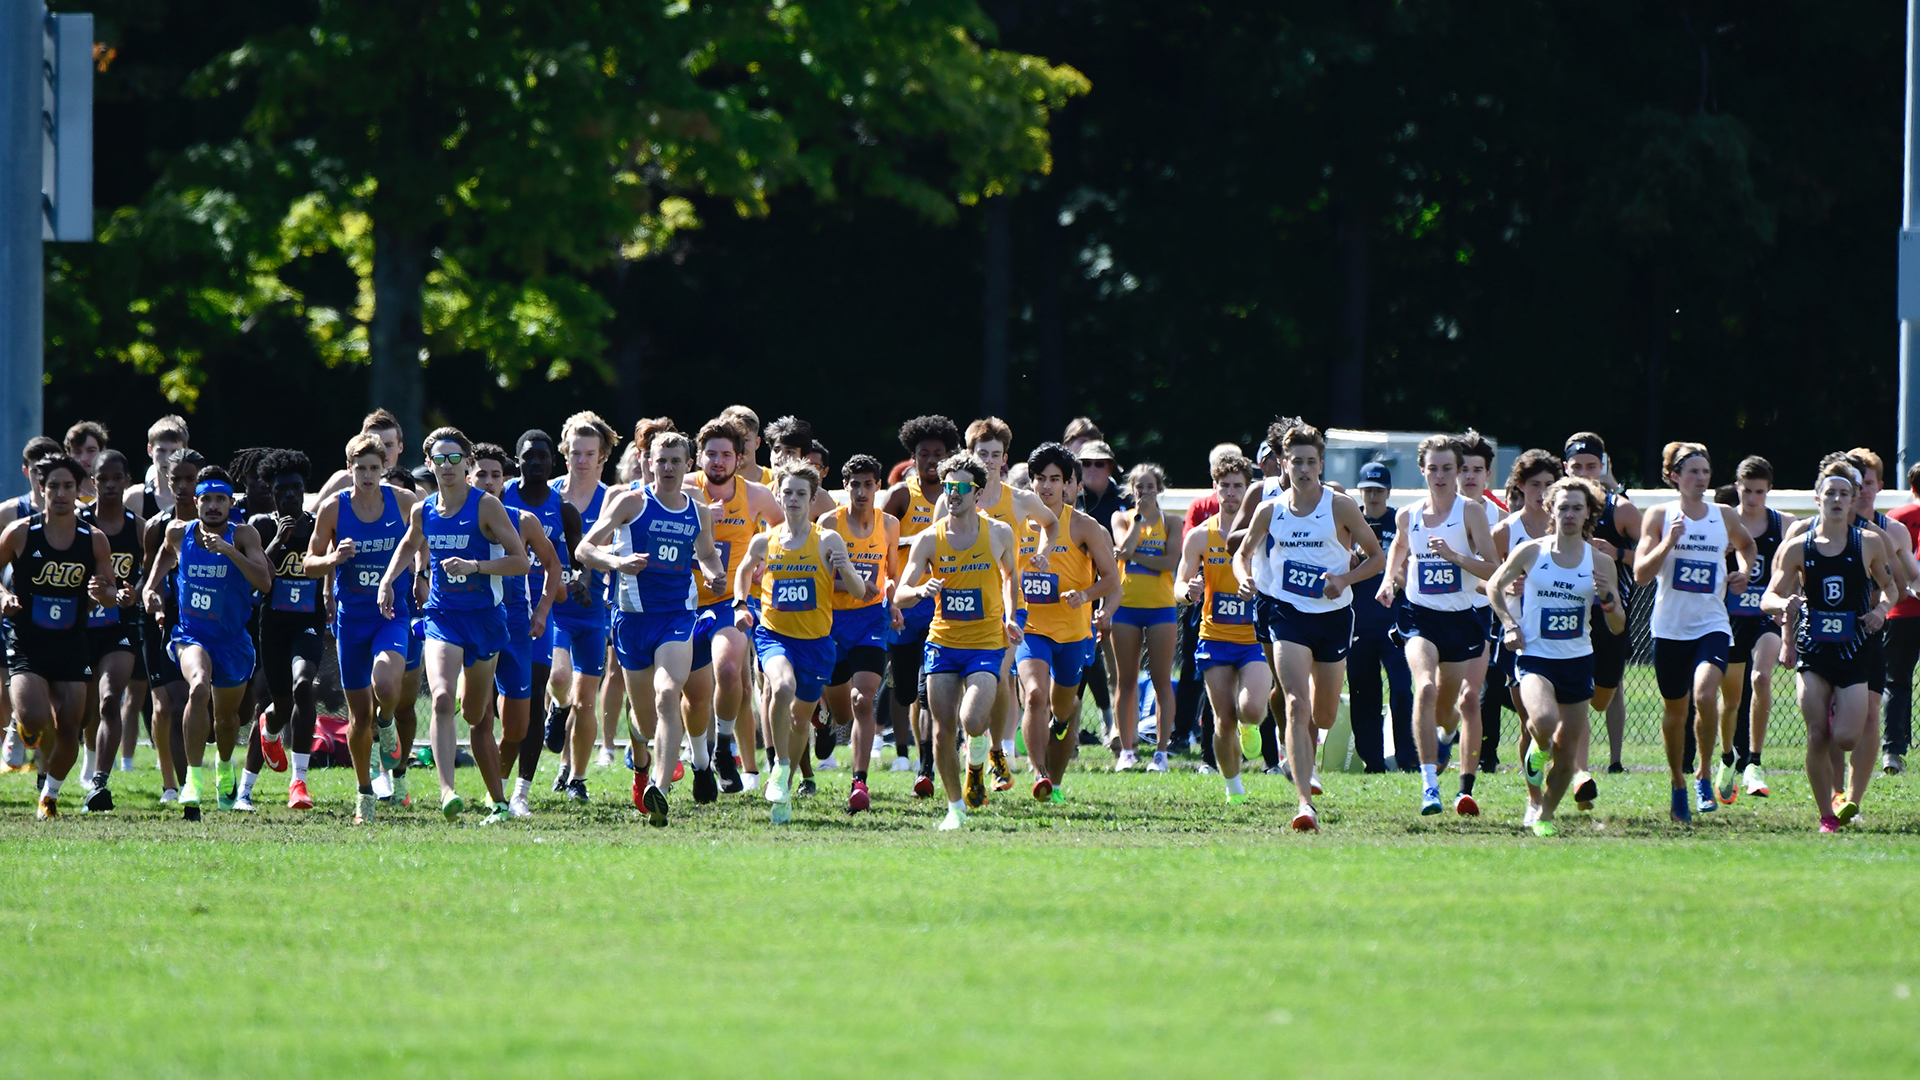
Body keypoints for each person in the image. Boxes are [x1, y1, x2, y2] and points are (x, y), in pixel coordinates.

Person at [1236, 421, 1384, 831]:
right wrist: (1243, 577)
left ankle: (1304, 751)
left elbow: (1377, 558)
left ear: (1321, 464)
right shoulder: (1270, 510)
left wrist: (1344, 580)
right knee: (1296, 703)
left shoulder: (1340, 506)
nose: (1303, 469)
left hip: (1334, 616)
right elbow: (1242, 553)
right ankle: (1304, 803)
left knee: (1325, 713)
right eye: (1296, 461)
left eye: (1310, 462)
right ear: (1284, 464)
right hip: (1288, 613)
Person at [380, 427, 531, 824]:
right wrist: (388, 580)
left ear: (467, 463)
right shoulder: (424, 510)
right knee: (443, 698)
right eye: (439, 459)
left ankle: (498, 802)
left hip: (485, 620)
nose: (446, 466)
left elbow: (521, 561)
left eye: (454, 459)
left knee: (476, 715)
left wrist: (475, 566)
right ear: (429, 464)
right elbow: (409, 543)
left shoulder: (486, 507)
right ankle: (448, 791)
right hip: (442, 616)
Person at [577, 430, 727, 826]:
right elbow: (584, 548)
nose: (668, 468)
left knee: (668, 693)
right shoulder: (632, 503)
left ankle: (659, 788)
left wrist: (715, 574)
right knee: (645, 722)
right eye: (661, 460)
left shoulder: (698, 511)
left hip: (676, 617)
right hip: (631, 621)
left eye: (676, 461)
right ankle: (642, 759)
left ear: (688, 465)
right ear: (649, 463)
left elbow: (707, 553)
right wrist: (617, 563)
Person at [1486, 477, 1625, 836]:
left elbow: (1618, 624)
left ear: (1589, 513)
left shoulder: (1600, 562)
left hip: (1578, 661)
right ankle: (1538, 747)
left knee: (1566, 755)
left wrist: (1608, 599)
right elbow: (1494, 586)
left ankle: (1544, 816)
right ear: (1551, 510)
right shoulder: (1532, 552)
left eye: (1578, 508)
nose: (1570, 514)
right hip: (1536, 656)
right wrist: (1509, 625)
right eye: (1563, 507)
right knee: (1544, 721)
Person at [1762, 461, 1895, 831]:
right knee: (1817, 735)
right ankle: (1826, 815)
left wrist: (1881, 610)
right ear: (1817, 499)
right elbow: (1768, 598)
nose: (1837, 499)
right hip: (1814, 652)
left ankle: (1840, 714)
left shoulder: (1868, 543)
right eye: (1830, 493)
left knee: (1847, 738)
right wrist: (1784, 604)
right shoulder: (1797, 548)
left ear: (1853, 500)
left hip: (1854, 651)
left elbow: (1891, 588)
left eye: (1844, 494)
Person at [1375, 435, 1501, 817]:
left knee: (1447, 710)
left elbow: (1492, 569)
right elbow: (1399, 546)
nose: (1440, 476)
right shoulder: (1408, 514)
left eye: (1448, 468)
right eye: (1433, 468)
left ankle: (1445, 736)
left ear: (1458, 471)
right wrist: (1388, 580)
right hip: (1419, 616)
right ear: (1422, 470)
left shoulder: (1471, 513)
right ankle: (1429, 785)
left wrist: (1455, 557)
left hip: (1460, 619)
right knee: (1425, 687)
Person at [931, 418, 1059, 793]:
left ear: (1005, 459)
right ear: (969, 454)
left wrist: (1043, 552)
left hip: (1006, 605)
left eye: (995, 455)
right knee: (963, 689)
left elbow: (1052, 523)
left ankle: (997, 750)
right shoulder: (949, 498)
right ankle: (977, 748)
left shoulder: (1019, 499)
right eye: (982, 453)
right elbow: (933, 543)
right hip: (955, 609)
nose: (988, 461)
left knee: (1000, 674)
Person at [736, 461, 868, 824]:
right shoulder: (764, 541)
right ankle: (779, 766)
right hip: (774, 635)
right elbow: (743, 570)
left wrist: (846, 567)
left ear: (811, 500)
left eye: (801, 494)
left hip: (816, 644)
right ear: (778, 496)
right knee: (781, 687)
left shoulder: (827, 540)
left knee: (800, 720)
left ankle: (786, 782)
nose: (793, 499)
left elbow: (858, 592)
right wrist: (739, 604)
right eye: (787, 493)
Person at [895, 452, 1021, 830]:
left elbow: (1010, 577)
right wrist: (920, 590)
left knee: (973, 719)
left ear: (978, 493)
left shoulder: (999, 533)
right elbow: (900, 594)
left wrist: (1011, 615)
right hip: (943, 643)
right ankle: (955, 808)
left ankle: (978, 757)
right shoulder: (928, 539)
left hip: (986, 642)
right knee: (942, 728)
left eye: (962, 487)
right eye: (949, 486)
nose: (953, 493)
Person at [1634, 442, 1757, 823]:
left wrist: (1743, 571)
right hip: (1670, 629)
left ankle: (1704, 774)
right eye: (1693, 472)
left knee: (1705, 695)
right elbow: (1640, 574)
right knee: (1676, 711)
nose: (1701, 478)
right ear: (1675, 477)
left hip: (1712, 624)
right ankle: (1677, 782)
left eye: (1706, 472)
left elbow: (1747, 545)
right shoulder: (1660, 515)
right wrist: (1668, 542)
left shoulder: (1723, 515)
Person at [146, 465, 274, 820]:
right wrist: (150, 588)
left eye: (221, 499)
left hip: (232, 641)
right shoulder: (178, 532)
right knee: (199, 687)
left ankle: (225, 766)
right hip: (191, 636)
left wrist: (230, 552)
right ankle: (192, 781)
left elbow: (264, 582)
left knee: (227, 719)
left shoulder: (243, 535)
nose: (213, 506)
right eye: (207, 499)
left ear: (231, 503)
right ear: (196, 502)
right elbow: (165, 556)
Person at [308, 434, 419, 824]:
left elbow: (420, 539)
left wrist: (420, 574)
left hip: (390, 614)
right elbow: (309, 563)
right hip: (351, 622)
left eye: (374, 467)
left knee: (386, 686)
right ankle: (364, 794)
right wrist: (333, 559)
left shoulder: (403, 501)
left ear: (385, 467)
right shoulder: (333, 508)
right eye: (361, 468)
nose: (368, 475)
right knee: (358, 717)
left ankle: (387, 723)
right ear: (349, 468)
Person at [0, 456, 120, 817]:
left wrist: (105, 593)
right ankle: (22, 725)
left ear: (79, 490)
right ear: (41, 488)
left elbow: (110, 592)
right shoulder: (21, 532)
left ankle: (49, 795)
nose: (61, 493)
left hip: (71, 642)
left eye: (68, 486)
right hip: (28, 640)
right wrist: (4, 596)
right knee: (35, 718)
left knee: (72, 726)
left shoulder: (93, 539)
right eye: (53, 486)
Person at [1017, 443, 1120, 796]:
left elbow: (1112, 580)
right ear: (1031, 481)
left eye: (1054, 479)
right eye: (1040, 478)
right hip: (1031, 629)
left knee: (1065, 711)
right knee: (1034, 695)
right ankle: (1039, 773)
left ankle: (1056, 780)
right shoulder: (1015, 523)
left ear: (1067, 484)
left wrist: (1086, 597)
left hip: (1074, 634)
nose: (1046, 486)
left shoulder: (1084, 526)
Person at [687, 418, 783, 794]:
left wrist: (764, 562)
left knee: (729, 671)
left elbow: (783, 529)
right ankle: (700, 761)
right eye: (711, 454)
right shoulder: (683, 490)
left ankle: (724, 747)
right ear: (699, 457)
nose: (718, 461)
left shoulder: (756, 495)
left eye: (726, 454)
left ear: (739, 459)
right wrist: (696, 517)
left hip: (731, 599)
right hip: (682, 603)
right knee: (692, 694)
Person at [471, 443, 566, 818]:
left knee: (517, 726)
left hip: (517, 626)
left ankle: (512, 790)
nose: (489, 481)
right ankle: (494, 795)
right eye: (481, 474)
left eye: (496, 475)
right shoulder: (451, 518)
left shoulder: (523, 520)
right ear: (468, 477)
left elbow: (553, 566)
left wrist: (542, 610)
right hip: (471, 624)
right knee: (477, 713)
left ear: (505, 480)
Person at [1177, 454, 1274, 812]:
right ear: (1215, 488)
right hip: (1214, 637)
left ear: (1248, 489)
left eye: (1238, 486)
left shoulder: (1263, 532)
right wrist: (1189, 592)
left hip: (1254, 638)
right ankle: (1234, 788)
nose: (1231, 493)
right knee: (1223, 719)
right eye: (1225, 486)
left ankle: (1252, 726)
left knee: (1250, 710)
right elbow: (1179, 585)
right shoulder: (1200, 536)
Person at [499, 429, 581, 813]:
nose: (535, 462)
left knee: (531, 703)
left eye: (542, 456)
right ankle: (495, 783)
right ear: (517, 461)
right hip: (493, 610)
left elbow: (573, 566)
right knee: (490, 706)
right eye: (528, 456)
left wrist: (574, 585)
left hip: (536, 617)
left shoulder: (563, 510)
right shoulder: (499, 499)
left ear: (553, 462)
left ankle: (519, 793)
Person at [881, 415, 961, 793]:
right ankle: (904, 749)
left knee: (932, 688)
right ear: (912, 458)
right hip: (905, 604)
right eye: (924, 454)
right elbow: (877, 544)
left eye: (938, 454)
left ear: (949, 458)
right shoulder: (901, 496)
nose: (931, 460)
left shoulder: (959, 496)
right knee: (905, 691)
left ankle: (927, 762)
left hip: (941, 605)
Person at [242, 450, 324, 812]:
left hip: (308, 621)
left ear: (304, 489)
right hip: (273, 625)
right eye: (281, 490)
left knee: (304, 685)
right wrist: (277, 540)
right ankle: (245, 789)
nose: (289, 495)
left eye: (296, 488)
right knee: (276, 705)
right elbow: (257, 577)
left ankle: (299, 783)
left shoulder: (318, 524)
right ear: (270, 492)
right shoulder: (260, 525)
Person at [820, 454, 902, 813]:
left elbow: (892, 574)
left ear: (878, 487)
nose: (862, 491)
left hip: (871, 620)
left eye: (869, 484)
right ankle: (824, 722)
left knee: (862, 699)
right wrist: (852, 584)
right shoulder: (829, 523)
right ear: (845, 486)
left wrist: (894, 602)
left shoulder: (889, 524)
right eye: (855, 484)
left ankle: (860, 783)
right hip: (833, 621)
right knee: (842, 713)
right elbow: (819, 577)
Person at [548, 412, 618, 800]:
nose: (582, 460)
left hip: (593, 609)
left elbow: (616, 550)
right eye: (575, 452)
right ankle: (556, 710)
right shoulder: (548, 494)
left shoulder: (611, 499)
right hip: (553, 605)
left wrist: (598, 562)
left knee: (586, 698)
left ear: (602, 456)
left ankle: (574, 776)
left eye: (590, 453)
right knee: (560, 679)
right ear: (564, 452)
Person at [1488, 450, 1565, 806]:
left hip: (1563, 637)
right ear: (1520, 486)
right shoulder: (1506, 531)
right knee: (1530, 722)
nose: (1542, 492)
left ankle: (1560, 785)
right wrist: (1507, 587)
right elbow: (1483, 582)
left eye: (1550, 484)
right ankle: (1535, 801)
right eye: (1535, 484)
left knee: (1560, 723)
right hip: (1520, 638)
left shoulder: (1568, 528)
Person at [1563, 432, 1640, 773]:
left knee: (1611, 687)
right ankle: (1573, 761)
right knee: (1568, 680)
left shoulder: (1619, 508)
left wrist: (1618, 553)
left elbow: (1653, 558)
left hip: (1608, 610)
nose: (1584, 473)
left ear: (1603, 466)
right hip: (1566, 608)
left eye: (1591, 466)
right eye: (1577, 466)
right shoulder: (1558, 507)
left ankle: (1615, 760)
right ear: (1565, 467)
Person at [77, 450, 146, 813]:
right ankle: (78, 765)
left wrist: (137, 591)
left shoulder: (138, 527)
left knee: (109, 700)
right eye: (102, 479)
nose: (110, 485)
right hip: (79, 626)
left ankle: (100, 782)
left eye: (117, 478)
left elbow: (153, 570)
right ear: (93, 482)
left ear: (126, 481)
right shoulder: (80, 523)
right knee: (80, 711)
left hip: (119, 626)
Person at [1719, 456, 1790, 801]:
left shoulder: (1785, 524)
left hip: (1766, 617)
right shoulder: (1723, 523)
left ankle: (1755, 762)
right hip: (1729, 618)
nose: (1752, 498)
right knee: (1730, 698)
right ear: (1737, 487)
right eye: (1746, 491)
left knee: (1761, 677)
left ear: (1769, 490)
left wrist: (1786, 606)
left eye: (1759, 492)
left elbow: (1798, 567)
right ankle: (1727, 757)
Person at [138, 450, 204, 803]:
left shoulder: (223, 524)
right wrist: (153, 598)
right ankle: (175, 784)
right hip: (166, 623)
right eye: (175, 478)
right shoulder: (157, 527)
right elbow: (150, 579)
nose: (182, 486)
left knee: (211, 705)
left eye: (189, 479)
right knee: (168, 705)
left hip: (211, 623)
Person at [1110, 462, 1182, 771]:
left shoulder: (1173, 522)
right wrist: (1138, 521)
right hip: (1126, 607)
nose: (1144, 492)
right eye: (1139, 487)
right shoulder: (1122, 518)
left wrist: (1135, 555)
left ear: (1159, 488)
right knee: (1125, 681)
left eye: (1150, 486)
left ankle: (1161, 753)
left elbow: (1169, 562)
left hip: (1160, 608)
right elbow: (1122, 548)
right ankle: (1127, 751)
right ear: (1132, 489)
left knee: (1161, 680)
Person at [1345, 461, 1412, 772]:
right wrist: (1353, 559)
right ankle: (1372, 762)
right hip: (1359, 622)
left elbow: (1410, 575)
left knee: (1402, 690)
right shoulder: (1349, 522)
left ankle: (1409, 758)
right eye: (1368, 490)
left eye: (1379, 490)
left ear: (1388, 492)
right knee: (1364, 693)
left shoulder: (1399, 522)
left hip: (1395, 623)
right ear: (1360, 491)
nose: (1373, 496)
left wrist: (1386, 565)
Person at [1883, 460, 1920, 776]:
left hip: (1902, 608)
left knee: (1896, 681)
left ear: (1911, 486)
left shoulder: (1895, 517)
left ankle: (1893, 750)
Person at [311, 409, 405, 506]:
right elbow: (308, 513)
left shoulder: (407, 488)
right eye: (373, 446)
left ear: (400, 447)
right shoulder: (344, 481)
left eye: (388, 445)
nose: (382, 451)